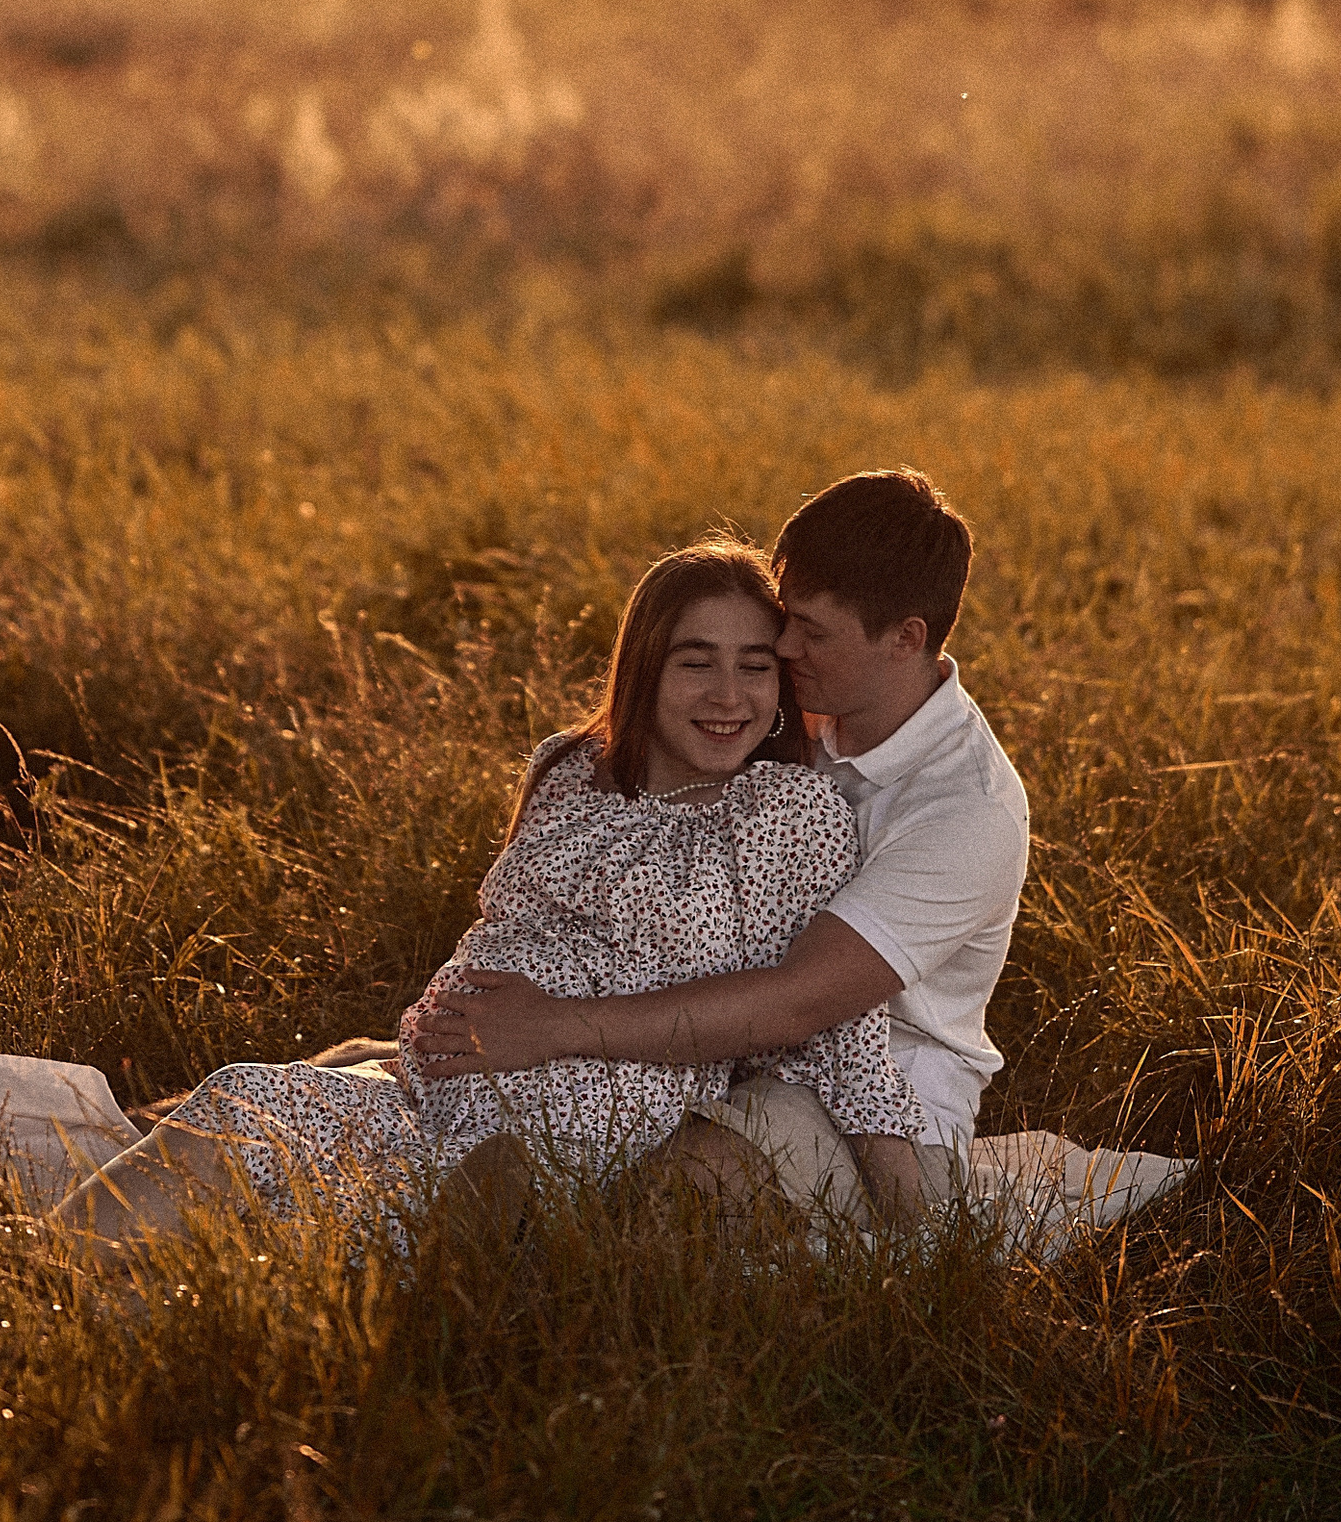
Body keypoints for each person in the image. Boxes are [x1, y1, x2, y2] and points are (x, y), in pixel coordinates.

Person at [0, 542, 929, 1250]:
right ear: (643, 668)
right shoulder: (570, 771)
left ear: (784, 685)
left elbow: (838, 1020)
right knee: (239, 1105)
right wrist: (425, 1033)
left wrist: (920, 1219)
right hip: (434, 1097)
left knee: (292, 1197)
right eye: (696, 660)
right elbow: (501, 932)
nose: (728, 693)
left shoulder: (790, 817)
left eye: (756, 665)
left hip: (573, 1136)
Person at [401, 468, 1028, 1164]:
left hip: (872, 1090)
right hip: (683, 1040)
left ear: (905, 639)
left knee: (689, 1180)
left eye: (810, 632)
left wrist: (552, 1027)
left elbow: (798, 1004)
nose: (782, 651)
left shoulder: (967, 813)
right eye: (786, 621)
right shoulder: (800, 705)